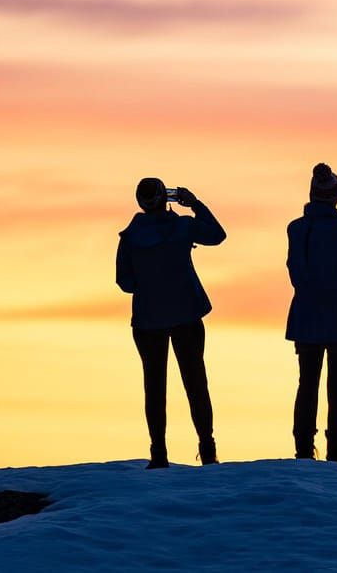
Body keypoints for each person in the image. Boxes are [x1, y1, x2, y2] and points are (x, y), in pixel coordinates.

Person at [115, 178, 226, 469]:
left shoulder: (130, 237)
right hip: (187, 314)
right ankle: (207, 447)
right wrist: (195, 204)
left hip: (148, 319)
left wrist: (149, 281)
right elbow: (217, 234)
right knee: (195, 382)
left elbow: (125, 282)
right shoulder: (183, 227)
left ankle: (158, 452)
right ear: (166, 198)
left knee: (154, 386)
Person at [285, 163, 337, 461]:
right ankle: (336, 449)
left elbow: (295, 272)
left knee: (307, 383)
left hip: (306, 316)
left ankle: (303, 448)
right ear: (336, 197)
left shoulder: (296, 230)